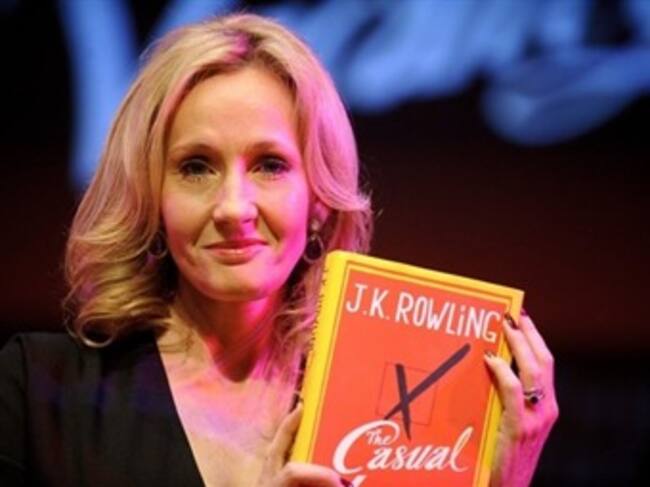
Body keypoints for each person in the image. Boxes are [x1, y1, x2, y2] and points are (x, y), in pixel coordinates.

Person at [0, 13, 558, 486]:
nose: (233, 207)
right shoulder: (37, 390)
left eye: (269, 165)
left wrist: (503, 479)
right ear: (152, 196)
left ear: (320, 201)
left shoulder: (385, 426)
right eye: (196, 167)